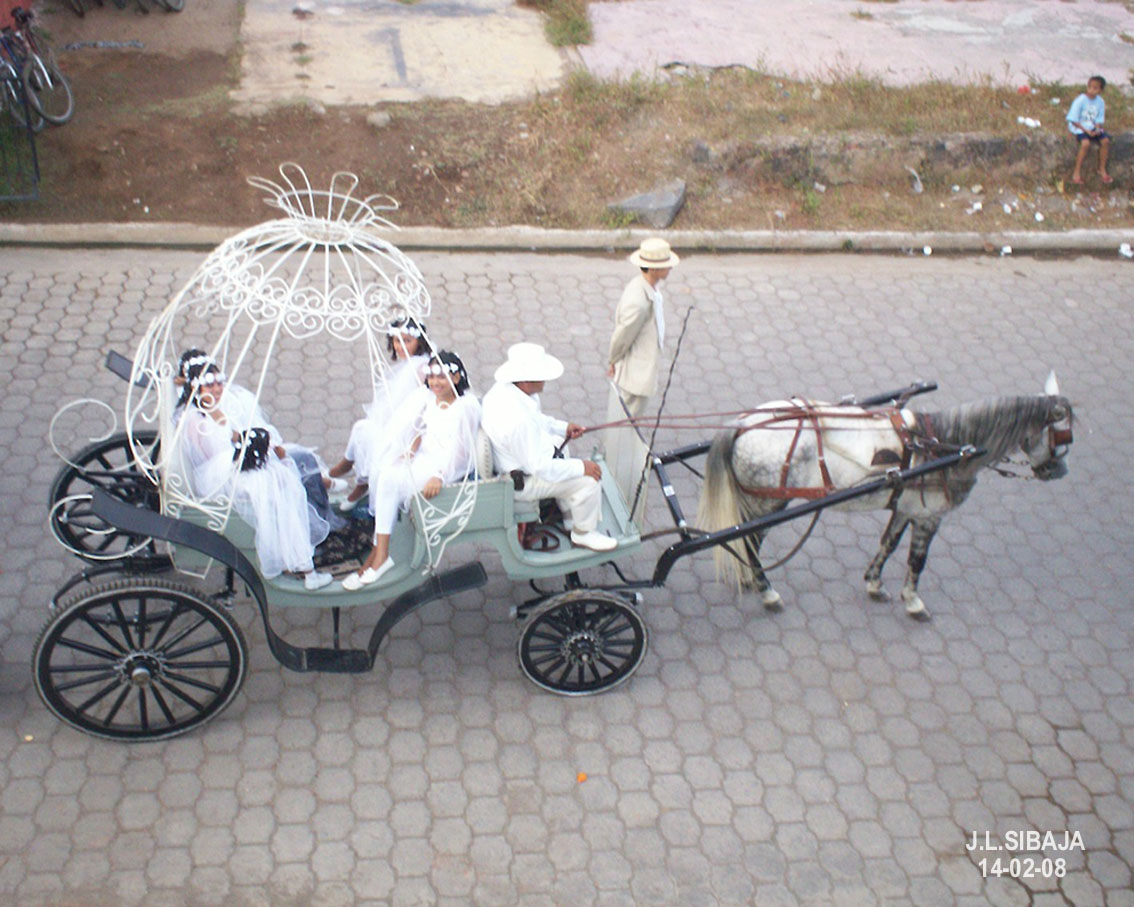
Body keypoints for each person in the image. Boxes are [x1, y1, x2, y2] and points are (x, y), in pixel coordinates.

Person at [174, 354, 333, 589]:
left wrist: (259, 443)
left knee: (284, 460)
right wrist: (248, 443)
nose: (218, 389)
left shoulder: (210, 408)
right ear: (196, 388)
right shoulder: (195, 421)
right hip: (221, 476)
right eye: (210, 385)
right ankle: (305, 568)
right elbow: (220, 452)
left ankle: (320, 484)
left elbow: (235, 439)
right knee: (281, 481)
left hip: (232, 465)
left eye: (219, 383)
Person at [341, 351, 481, 590]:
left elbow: (461, 452)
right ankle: (380, 552)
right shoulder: (428, 398)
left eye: (442, 377)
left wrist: (439, 475)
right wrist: (412, 449)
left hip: (443, 467)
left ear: (456, 378)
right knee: (387, 474)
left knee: (391, 481)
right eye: (432, 377)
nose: (435, 383)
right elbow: (421, 428)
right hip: (424, 458)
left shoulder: (466, 406)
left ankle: (380, 554)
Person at [482, 342, 617, 553]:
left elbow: (537, 420)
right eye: (541, 375)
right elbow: (541, 467)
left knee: (562, 452)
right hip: (522, 482)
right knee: (589, 481)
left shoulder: (507, 392)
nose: (545, 380)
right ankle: (583, 534)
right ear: (526, 380)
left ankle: (570, 513)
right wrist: (583, 467)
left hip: (519, 461)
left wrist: (563, 428)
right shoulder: (518, 421)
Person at [605, 237, 680, 523]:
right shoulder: (639, 301)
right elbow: (623, 336)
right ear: (652, 269)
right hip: (635, 373)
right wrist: (613, 359)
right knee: (626, 420)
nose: (669, 270)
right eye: (664, 266)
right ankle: (619, 470)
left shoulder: (646, 289)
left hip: (639, 366)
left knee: (628, 420)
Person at [328, 318, 430, 505]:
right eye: (397, 341)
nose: (400, 347)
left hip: (410, 430)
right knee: (363, 429)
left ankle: (355, 477)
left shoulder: (421, 368)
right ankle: (349, 469)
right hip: (399, 422)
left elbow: (425, 404)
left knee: (366, 432)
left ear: (419, 342)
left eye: (407, 341)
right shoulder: (410, 364)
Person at [1067, 75, 1112, 185]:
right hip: (1080, 126)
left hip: (1092, 126)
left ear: (1101, 90)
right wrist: (1086, 131)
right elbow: (1073, 119)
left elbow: (1099, 119)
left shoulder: (1100, 102)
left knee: (1105, 141)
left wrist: (1097, 128)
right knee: (1085, 144)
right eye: (1090, 87)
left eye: (1095, 88)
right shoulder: (1080, 100)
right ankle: (1076, 172)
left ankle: (1102, 168)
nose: (1091, 90)